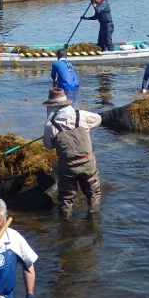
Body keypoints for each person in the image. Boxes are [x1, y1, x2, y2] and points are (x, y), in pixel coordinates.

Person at [42, 87, 102, 219]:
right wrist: (87, 127)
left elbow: (48, 146)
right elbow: (98, 119)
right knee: (94, 193)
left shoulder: (50, 126)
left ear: (51, 107)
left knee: (66, 198)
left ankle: (66, 225)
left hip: (68, 167)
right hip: (88, 162)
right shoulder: (82, 115)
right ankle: (93, 220)